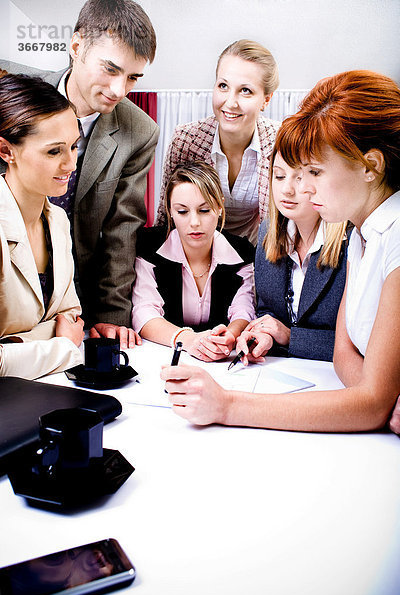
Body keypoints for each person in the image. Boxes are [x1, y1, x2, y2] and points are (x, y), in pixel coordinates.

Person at [161, 70, 400, 433]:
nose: (301, 187)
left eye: (315, 172)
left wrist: (226, 404)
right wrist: (375, 396)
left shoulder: (393, 237)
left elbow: (371, 405)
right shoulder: (363, 232)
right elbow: (344, 355)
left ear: (371, 166)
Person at [0, 0, 159, 348]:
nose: (119, 89)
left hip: (71, 299)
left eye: (132, 77)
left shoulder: (139, 131)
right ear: (76, 47)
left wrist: (111, 318)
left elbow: (122, 230)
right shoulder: (11, 90)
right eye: (110, 69)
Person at [0, 73, 84, 379]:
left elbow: (71, 317)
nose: (71, 164)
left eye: (74, 146)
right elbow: (68, 336)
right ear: (6, 151)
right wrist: (61, 345)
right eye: (54, 151)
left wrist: (16, 344)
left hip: (49, 387)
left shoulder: (57, 220)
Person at [155, 39, 280, 245]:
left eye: (245, 90)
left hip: (257, 251)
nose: (230, 103)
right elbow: (165, 216)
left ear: (266, 100)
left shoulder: (279, 142)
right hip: (198, 250)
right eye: (223, 86)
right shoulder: (186, 140)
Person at [132, 162, 255, 361]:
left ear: (220, 207)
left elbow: (244, 308)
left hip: (223, 362)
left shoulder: (242, 252)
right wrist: (188, 340)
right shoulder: (149, 247)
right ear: (170, 211)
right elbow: (144, 312)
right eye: (182, 212)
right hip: (161, 357)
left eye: (204, 210)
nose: (194, 222)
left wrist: (230, 336)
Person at [237, 149, 347, 363]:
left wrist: (289, 337)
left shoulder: (352, 239)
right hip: (281, 372)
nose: (286, 190)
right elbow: (268, 310)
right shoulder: (267, 231)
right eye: (279, 176)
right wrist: (263, 334)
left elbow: (362, 344)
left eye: (299, 178)